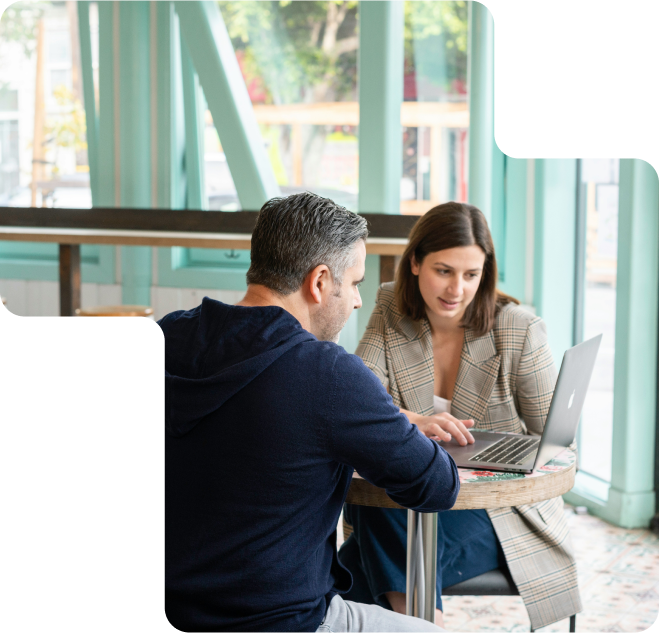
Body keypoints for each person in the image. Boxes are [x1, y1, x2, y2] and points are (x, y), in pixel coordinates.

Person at [162, 192, 460, 633]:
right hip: (284, 623)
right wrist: (393, 419)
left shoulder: (165, 335)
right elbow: (438, 485)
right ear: (319, 281)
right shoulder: (329, 374)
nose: (357, 300)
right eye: (354, 283)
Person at [339, 202, 581, 631]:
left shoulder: (518, 329)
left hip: (498, 511)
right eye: (444, 271)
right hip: (414, 496)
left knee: (345, 569)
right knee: (387, 511)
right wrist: (411, 420)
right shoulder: (391, 306)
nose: (457, 289)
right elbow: (358, 399)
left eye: (472, 275)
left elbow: (557, 443)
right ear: (415, 263)